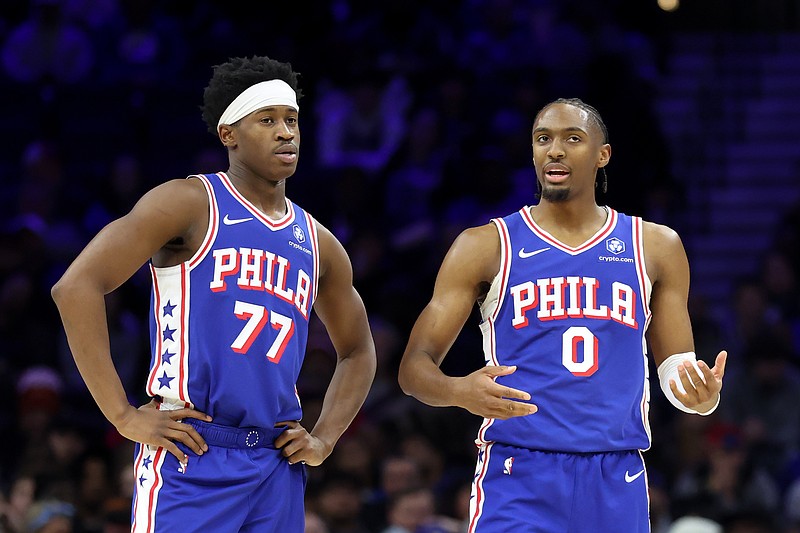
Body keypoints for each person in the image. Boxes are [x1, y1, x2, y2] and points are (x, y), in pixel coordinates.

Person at [51, 55, 376, 531]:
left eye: (292, 120)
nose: (286, 132)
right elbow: (75, 286)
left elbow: (359, 349)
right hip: (192, 452)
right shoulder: (187, 202)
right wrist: (122, 415)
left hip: (275, 464)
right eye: (267, 120)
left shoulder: (319, 242)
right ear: (229, 134)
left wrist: (325, 438)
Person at [397, 98, 727, 532]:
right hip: (519, 469)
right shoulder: (486, 245)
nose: (555, 149)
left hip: (616, 472)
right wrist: (458, 391)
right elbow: (413, 369)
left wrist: (699, 397)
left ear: (602, 155)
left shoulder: (655, 245)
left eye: (573, 138)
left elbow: (675, 367)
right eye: (543, 139)